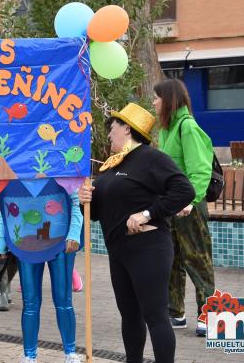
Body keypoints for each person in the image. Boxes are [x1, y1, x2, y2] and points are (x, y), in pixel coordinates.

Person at [78, 103, 195, 363]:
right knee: (129, 316)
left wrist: (147, 214)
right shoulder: (110, 166)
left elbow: (185, 190)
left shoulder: (150, 158)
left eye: (112, 128)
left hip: (148, 248)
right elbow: (97, 212)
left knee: (154, 315)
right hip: (117, 251)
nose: (108, 134)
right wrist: (85, 199)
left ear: (127, 129)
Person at [0, 178, 83, 363]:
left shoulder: (60, 164)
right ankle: (29, 355)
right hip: (27, 242)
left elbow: (74, 202)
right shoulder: (15, 167)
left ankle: (70, 352)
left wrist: (74, 233)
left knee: (63, 299)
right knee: (30, 302)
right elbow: (6, 209)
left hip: (61, 241)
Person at [152, 79, 216, 337]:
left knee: (197, 260)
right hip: (171, 207)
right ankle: (175, 312)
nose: (154, 102)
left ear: (169, 100)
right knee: (173, 260)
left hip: (189, 207)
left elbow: (200, 169)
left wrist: (191, 201)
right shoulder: (167, 128)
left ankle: (209, 315)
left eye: (157, 98)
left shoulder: (186, 127)